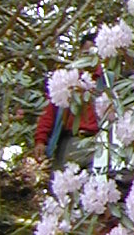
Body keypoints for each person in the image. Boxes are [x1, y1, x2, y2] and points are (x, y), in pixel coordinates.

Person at [34, 34, 103, 169]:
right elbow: (50, 112)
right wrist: (40, 140)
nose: (90, 58)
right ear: (79, 54)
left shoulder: (108, 81)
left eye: (94, 53)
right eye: (86, 54)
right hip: (70, 142)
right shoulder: (67, 80)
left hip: (99, 142)